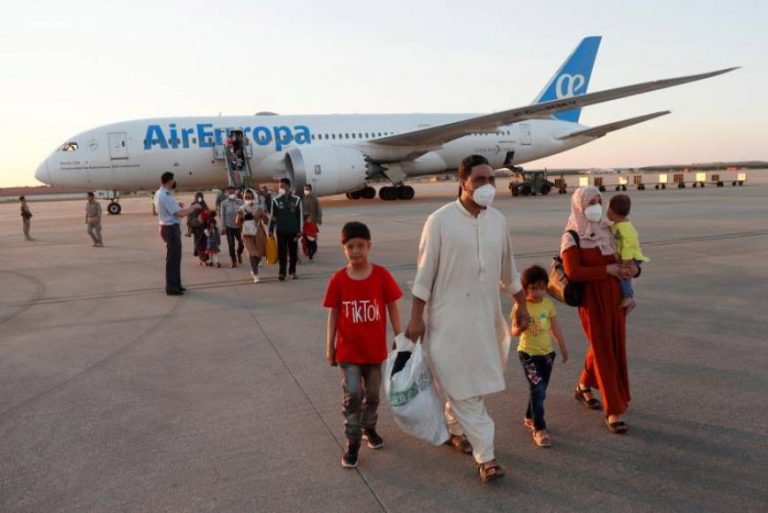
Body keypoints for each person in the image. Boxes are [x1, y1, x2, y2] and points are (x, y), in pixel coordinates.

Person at [405, 154, 529, 483]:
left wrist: (522, 305)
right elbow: (424, 275)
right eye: (479, 180)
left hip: (484, 321)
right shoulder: (440, 221)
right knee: (465, 390)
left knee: (472, 385)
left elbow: (509, 269)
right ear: (463, 182)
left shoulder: (498, 221)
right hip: (446, 322)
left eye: (492, 179)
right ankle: (486, 457)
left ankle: (455, 427)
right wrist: (416, 318)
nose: (488, 185)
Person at [323, 221, 402, 468]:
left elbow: (392, 306)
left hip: (374, 351)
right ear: (343, 248)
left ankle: (370, 428)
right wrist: (330, 346)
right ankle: (353, 440)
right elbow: (333, 313)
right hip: (348, 352)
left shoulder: (381, 275)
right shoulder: (338, 279)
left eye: (360, 246)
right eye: (350, 246)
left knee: (374, 396)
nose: (355, 251)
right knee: (353, 394)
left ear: (369, 246)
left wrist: (400, 338)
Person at [561, 186, 639, 434]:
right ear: (579, 206)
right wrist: (607, 271)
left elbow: (630, 258)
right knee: (605, 349)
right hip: (592, 300)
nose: (595, 206)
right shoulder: (572, 235)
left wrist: (633, 271)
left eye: (598, 201)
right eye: (590, 202)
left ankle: (583, 385)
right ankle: (613, 410)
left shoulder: (610, 229)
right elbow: (573, 272)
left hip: (616, 299)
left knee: (609, 344)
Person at [511, 265, 569, 448]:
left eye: (542, 287)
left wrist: (563, 346)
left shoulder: (548, 305)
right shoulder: (521, 306)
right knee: (538, 389)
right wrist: (520, 328)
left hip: (547, 355)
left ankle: (529, 416)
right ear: (525, 288)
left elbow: (555, 327)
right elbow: (513, 330)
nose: (538, 292)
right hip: (528, 354)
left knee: (539, 389)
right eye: (533, 288)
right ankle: (539, 428)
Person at [154, 172, 200, 296]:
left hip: (167, 227)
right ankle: (171, 287)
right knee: (173, 259)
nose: (174, 182)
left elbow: (170, 208)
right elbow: (180, 214)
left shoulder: (160, 192)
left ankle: (176, 284)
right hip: (170, 228)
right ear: (169, 181)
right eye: (173, 180)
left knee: (175, 258)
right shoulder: (165, 195)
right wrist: (193, 207)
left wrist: (177, 204)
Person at [607, 194, 650, 314]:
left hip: (631, 256)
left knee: (624, 275)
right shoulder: (618, 225)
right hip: (627, 255)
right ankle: (630, 298)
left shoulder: (624, 227)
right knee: (624, 274)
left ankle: (628, 297)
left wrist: (626, 259)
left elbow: (628, 244)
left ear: (611, 212)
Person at [269, 178, 303, 281]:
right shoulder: (276, 200)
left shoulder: (296, 200)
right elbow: (273, 216)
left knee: (293, 253)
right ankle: (281, 273)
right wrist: (270, 229)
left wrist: (300, 230)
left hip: (293, 231)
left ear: (288, 186)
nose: (281, 188)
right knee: (282, 253)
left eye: (282, 186)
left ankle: (292, 271)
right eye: (280, 186)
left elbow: (299, 216)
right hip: (281, 230)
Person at [237, 188, 269, 282]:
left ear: (254, 197)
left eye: (249, 197)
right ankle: (256, 274)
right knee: (251, 254)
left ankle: (254, 269)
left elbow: (266, 220)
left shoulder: (259, 208)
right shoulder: (241, 209)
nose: (247, 198)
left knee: (259, 254)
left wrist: (263, 216)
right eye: (246, 197)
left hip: (259, 233)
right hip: (247, 234)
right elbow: (237, 223)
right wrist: (244, 220)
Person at [219, 186, 245, 268]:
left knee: (242, 244)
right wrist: (223, 227)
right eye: (229, 192)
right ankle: (233, 261)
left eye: (232, 192)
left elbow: (244, 213)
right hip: (229, 227)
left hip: (239, 227)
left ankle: (239, 253)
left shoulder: (240, 202)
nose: (231, 194)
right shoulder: (224, 203)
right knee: (231, 244)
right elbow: (222, 215)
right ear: (227, 193)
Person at [189, 192, 210, 266]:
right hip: (197, 228)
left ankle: (205, 259)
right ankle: (202, 259)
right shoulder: (193, 205)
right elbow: (190, 217)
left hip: (205, 227)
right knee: (199, 243)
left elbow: (209, 215)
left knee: (206, 243)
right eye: (198, 197)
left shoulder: (204, 205)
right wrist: (196, 223)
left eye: (201, 197)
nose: (200, 198)